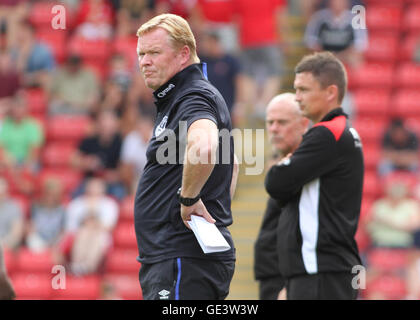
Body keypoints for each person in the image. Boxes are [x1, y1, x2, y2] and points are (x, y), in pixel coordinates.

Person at [134, 13, 238, 300]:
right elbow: (233, 160)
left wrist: (190, 199)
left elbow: (204, 147)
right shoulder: (182, 95)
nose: (144, 61)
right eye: (141, 54)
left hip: (182, 257)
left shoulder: (192, 96)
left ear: (183, 55)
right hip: (177, 258)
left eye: (154, 52)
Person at [265, 51, 364, 300]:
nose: (297, 98)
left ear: (330, 92)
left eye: (304, 90)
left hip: (319, 272)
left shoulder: (326, 134)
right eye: (296, 90)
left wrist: (282, 164)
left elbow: (276, 182)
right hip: (325, 271)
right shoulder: (340, 132)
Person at [254, 93, 309, 300]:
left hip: (288, 278)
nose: (274, 128)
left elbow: (311, 229)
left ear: (304, 124)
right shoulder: (282, 161)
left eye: (282, 122)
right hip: (271, 273)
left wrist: (294, 284)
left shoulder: (307, 167)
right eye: (270, 122)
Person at [304, 0, 368, 68]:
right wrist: (328, 55)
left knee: (356, 60)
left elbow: (359, 45)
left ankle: (353, 78)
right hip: (324, 55)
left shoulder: (355, 19)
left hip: (346, 55)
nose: (337, 3)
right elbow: (311, 42)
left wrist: (339, 56)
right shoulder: (318, 17)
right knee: (313, 59)